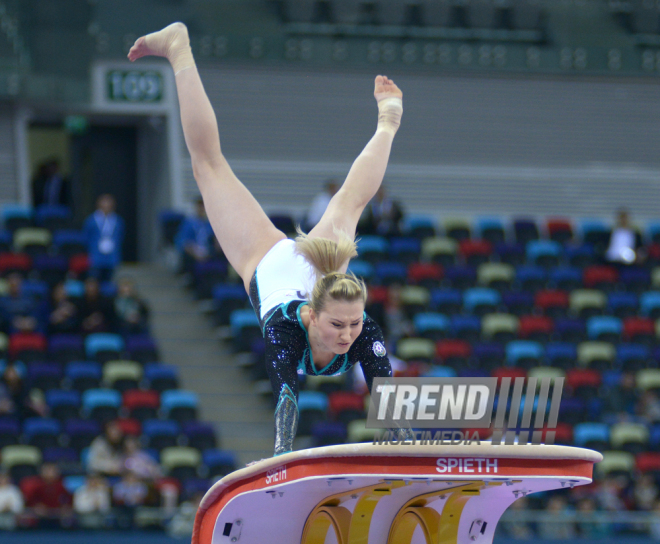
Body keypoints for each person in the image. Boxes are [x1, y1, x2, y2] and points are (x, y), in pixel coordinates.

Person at [129, 23, 406, 456]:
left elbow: (388, 401)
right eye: (338, 325)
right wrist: (282, 460)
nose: (348, 334)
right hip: (267, 260)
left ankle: (389, 122)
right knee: (208, 165)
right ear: (313, 316)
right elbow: (285, 397)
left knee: (352, 202)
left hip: (317, 270)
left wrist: (406, 451)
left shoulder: (362, 327)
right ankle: (179, 48)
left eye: (353, 323)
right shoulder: (284, 331)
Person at [83, 194, 125, 282]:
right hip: (95, 257)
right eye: (104, 202)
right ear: (98, 204)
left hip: (111, 257)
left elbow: (120, 238)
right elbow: (86, 238)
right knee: (94, 281)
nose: (106, 205)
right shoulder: (91, 220)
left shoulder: (118, 221)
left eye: (109, 203)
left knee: (109, 282)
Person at [24, 462, 73, 528]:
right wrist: (36, 507)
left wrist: (65, 507)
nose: (50, 473)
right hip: (41, 516)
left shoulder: (62, 485)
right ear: (42, 473)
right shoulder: (37, 485)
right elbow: (31, 501)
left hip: (58, 515)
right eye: (48, 471)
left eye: (53, 471)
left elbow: (69, 500)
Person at [175, 197, 216, 275]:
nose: (202, 209)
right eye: (200, 206)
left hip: (209, 253)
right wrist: (195, 254)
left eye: (203, 206)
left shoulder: (210, 223)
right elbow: (184, 242)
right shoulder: (189, 223)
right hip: (193, 253)